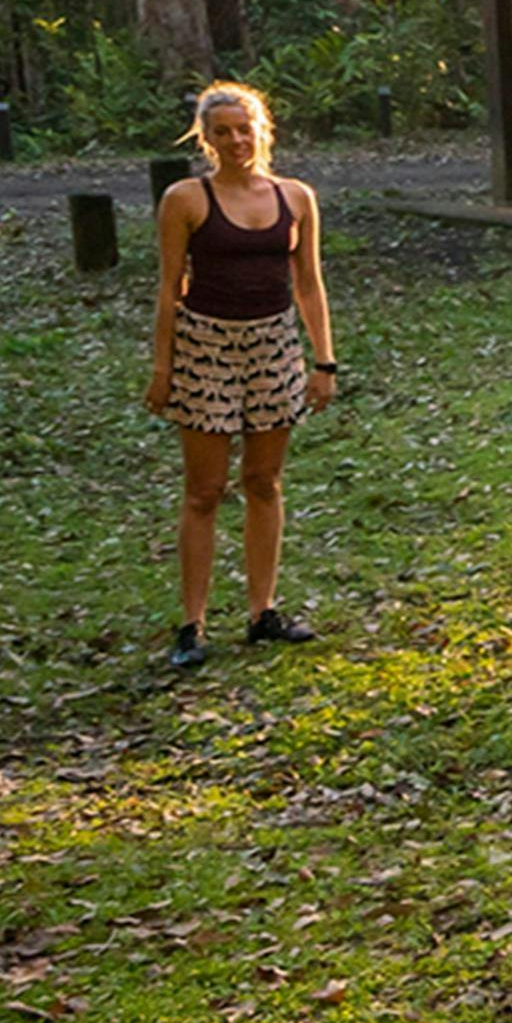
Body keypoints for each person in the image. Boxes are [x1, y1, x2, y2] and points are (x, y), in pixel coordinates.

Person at [146, 82, 337, 669]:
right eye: (222, 131)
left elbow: (308, 282)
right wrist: (163, 367)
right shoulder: (186, 198)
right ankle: (191, 624)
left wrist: (323, 360)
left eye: (243, 128)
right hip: (205, 346)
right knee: (204, 490)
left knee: (264, 481)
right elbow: (169, 287)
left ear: (262, 131)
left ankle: (262, 611)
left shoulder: (295, 197)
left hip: (273, 345)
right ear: (205, 138)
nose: (235, 140)